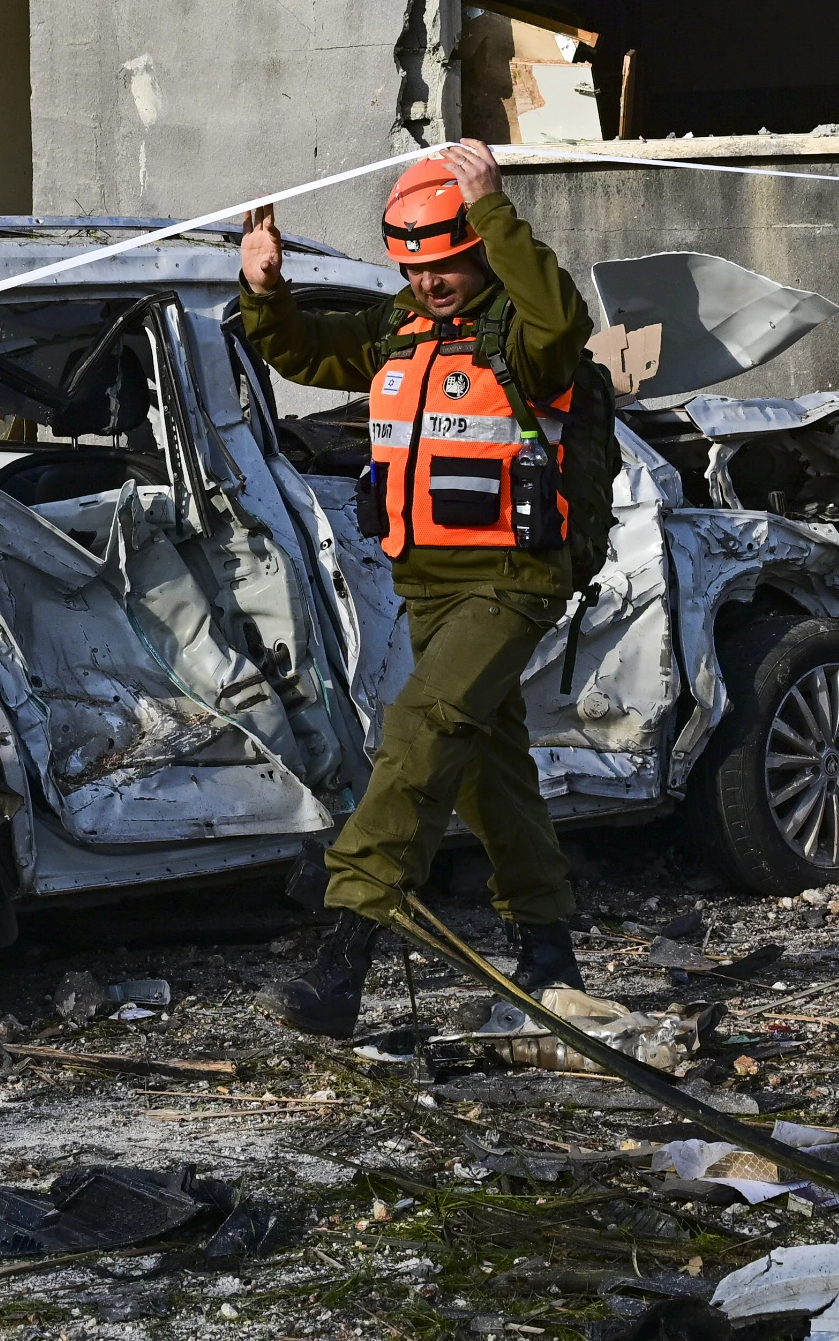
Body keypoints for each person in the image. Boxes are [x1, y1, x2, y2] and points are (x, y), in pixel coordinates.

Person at [234, 138, 590, 1036]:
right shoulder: (399, 329)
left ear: (477, 249)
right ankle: (548, 950)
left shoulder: (522, 330)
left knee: (425, 731)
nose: (432, 283)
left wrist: (497, 209)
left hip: (512, 577)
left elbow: (563, 319)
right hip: (427, 583)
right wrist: (267, 293)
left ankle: (344, 955)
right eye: (416, 268)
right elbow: (307, 354)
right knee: (485, 767)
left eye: (448, 265)